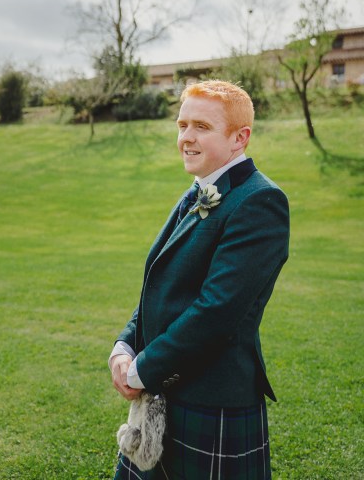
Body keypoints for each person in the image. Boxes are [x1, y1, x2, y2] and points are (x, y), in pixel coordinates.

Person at [109, 80, 290, 479]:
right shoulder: (197, 190)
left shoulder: (259, 201)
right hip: (165, 392)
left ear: (240, 137)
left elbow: (216, 311)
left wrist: (141, 371)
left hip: (213, 400)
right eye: (182, 125)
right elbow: (162, 288)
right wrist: (125, 344)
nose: (186, 138)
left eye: (202, 127)